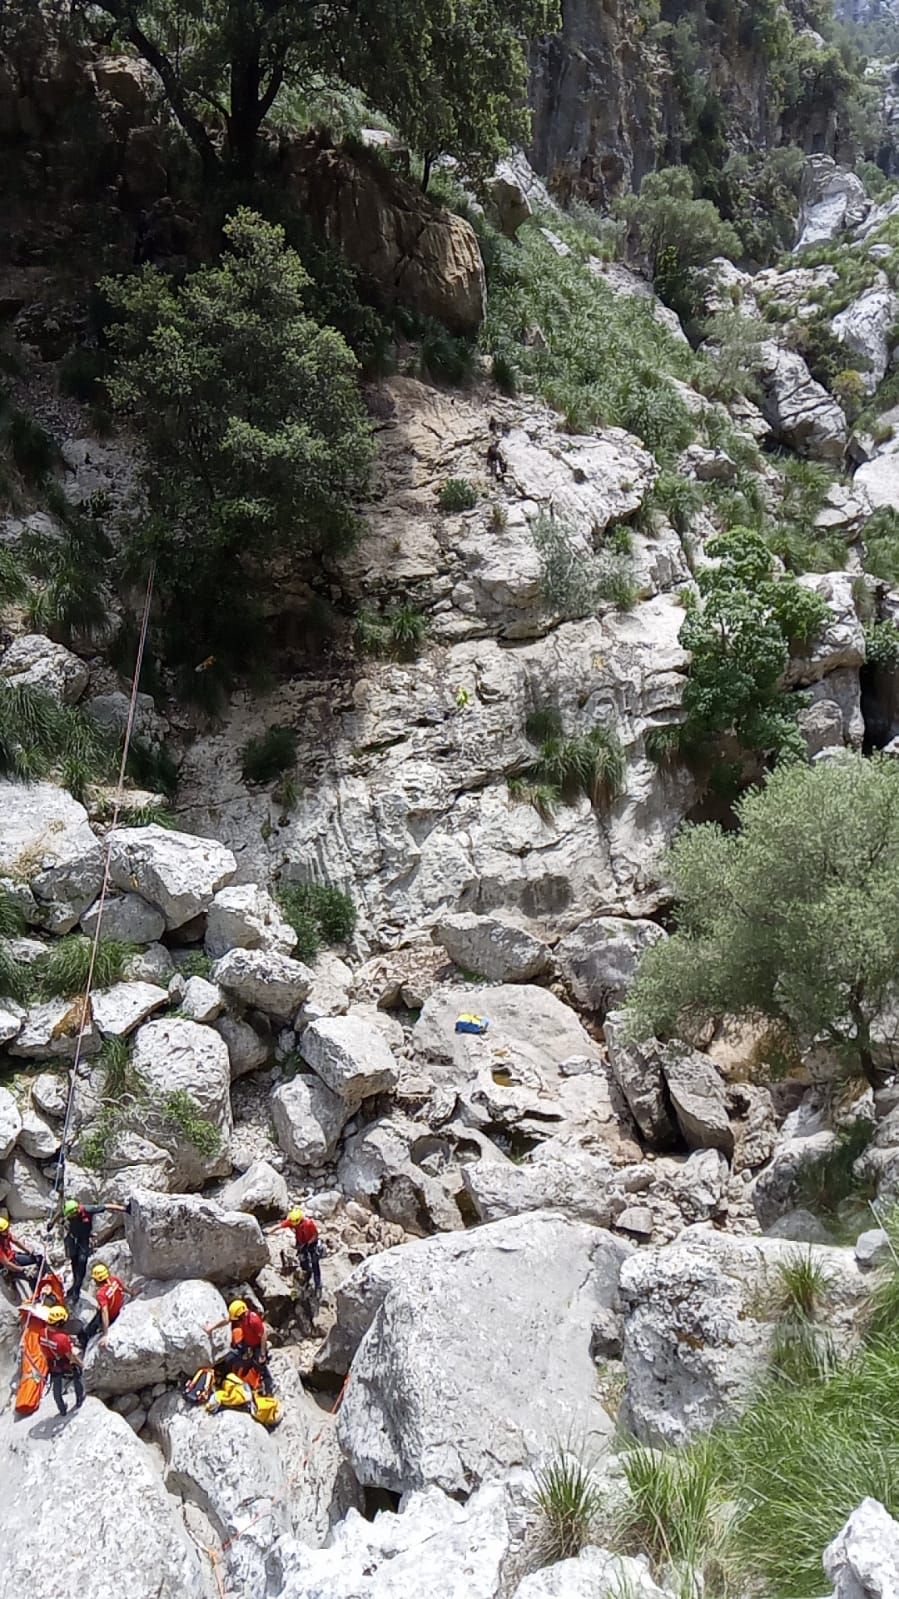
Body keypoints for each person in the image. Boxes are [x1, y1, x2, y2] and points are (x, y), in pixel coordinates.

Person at [61, 1199, 127, 1302]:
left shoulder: (87, 1209)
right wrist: (51, 1223)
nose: (69, 1218)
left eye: (70, 1216)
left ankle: (76, 1292)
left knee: (81, 1265)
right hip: (73, 1239)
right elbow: (60, 1214)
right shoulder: (69, 1210)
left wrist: (124, 1209)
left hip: (83, 1241)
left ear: (75, 1212)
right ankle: (74, 1286)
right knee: (74, 1265)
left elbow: (105, 1206)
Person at [204, 1299, 273, 1395]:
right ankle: (222, 1376)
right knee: (231, 1357)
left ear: (242, 1315)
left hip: (257, 1346)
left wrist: (262, 1353)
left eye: (238, 1319)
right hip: (246, 1342)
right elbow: (226, 1321)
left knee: (261, 1366)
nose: (237, 1321)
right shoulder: (241, 1317)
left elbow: (263, 1335)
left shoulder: (253, 1320)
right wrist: (211, 1328)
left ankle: (269, 1388)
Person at [39, 1304, 85, 1416]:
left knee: (57, 1388)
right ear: (59, 1322)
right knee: (77, 1375)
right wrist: (81, 1364)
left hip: (52, 1363)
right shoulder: (61, 1338)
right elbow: (70, 1356)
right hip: (64, 1362)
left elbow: (43, 1349)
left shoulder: (42, 1333)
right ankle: (79, 1399)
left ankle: (62, 1409)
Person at [267, 1207, 322, 1295]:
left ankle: (318, 1285)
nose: (295, 1225)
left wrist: (308, 1244)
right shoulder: (293, 1221)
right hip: (301, 1243)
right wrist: (269, 1232)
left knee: (315, 1262)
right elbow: (279, 1226)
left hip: (311, 1243)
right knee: (303, 1261)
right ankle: (307, 1276)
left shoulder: (309, 1223)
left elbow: (315, 1235)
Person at [83, 1262, 135, 1344]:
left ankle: (85, 1339)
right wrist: (133, 1293)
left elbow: (105, 1312)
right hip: (118, 1308)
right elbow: (124, 1288)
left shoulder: (101, 1293)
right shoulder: (114, 1279)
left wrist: (105, 1334)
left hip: (111, 1316)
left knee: (89, 1329)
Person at [0, 1216, 41, 1292]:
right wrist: (23, 1270)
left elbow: (15, 1241)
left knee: (38, 1258)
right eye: (5, 1230)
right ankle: (36, 1295)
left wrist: (28, 1250)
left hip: (13, 1257)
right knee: (31, 1276)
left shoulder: (5, 1234)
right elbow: (7, 1264)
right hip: (8, 1267)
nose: (7, 1230)